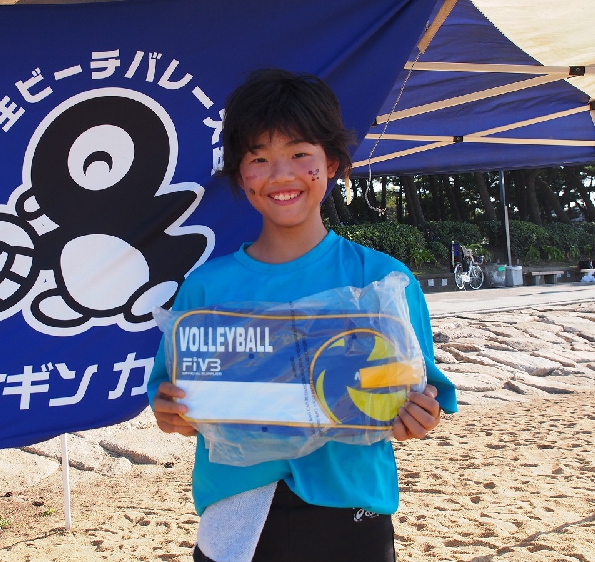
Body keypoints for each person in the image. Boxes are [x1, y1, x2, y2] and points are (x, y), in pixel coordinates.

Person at [147, 68, 457, 562]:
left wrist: (420, 415)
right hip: (234, 519)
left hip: (353, 510)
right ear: (240, 175)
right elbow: (175, 402)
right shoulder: (206, 288)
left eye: (299, 154)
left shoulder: (382, 281)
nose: (281, 175)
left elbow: (422, 394)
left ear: (331, 163)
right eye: (259, 158)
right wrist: (172, 414)